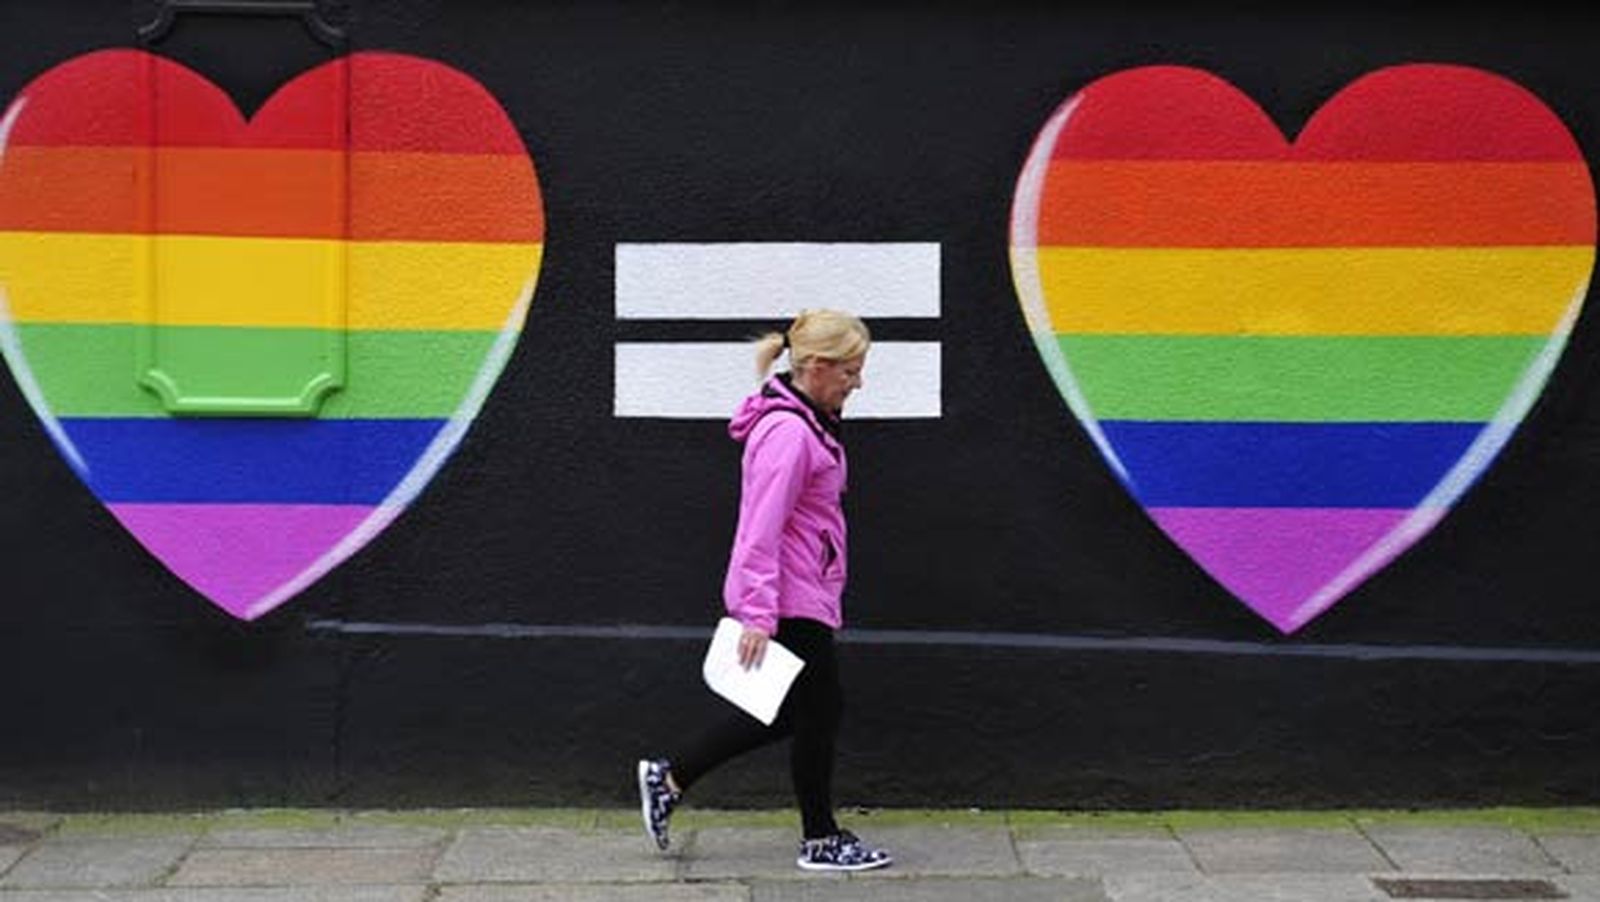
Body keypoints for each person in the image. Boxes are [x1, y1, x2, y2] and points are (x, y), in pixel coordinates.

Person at [637, 308, 891, 872]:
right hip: (791, 596)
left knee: (800, 712)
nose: (858, 383)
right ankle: (819, 839)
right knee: (818, 712)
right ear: (817, 366)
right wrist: (757, 613)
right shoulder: (790, 435)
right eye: (850, 371)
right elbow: (759, 527)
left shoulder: (809, 423)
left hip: (805, 587)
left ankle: (671, 778)